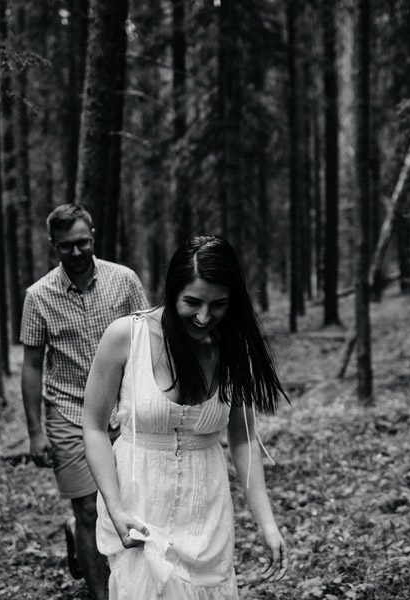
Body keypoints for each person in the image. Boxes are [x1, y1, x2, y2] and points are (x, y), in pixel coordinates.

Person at [83, 235, 289, 599]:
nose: (204, 317)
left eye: (218, 305)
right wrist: (114, 508)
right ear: (172, 291)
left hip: (206, 517)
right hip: (139, 507)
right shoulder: (126, 336)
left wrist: (267, 524)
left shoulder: (233, 350)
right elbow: (94, 426)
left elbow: (242, 440)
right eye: (192, 302)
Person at [20, 204, 149, 600]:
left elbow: (147, 339)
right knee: (90, 511)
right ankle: (100, 593)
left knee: (130, 501)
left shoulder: (124, 280)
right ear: (53, 245)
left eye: (82, 243)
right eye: (66, 246)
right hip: (70, 412)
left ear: (93, 235)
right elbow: (32, 367)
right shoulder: (38, 296)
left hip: (123, 409)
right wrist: (36, 433)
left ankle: (132, 579)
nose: (76, 253)